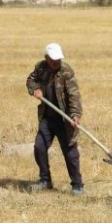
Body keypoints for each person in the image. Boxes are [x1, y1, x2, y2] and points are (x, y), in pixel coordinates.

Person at [26, 43, 84, 195]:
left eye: (58, 60)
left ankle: (77, 185)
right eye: (53, 60)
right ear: (46, 58)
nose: (56, 63)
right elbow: (30, 80)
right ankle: (45, 180)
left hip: (64, 120)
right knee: (39, 147)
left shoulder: (66, 72)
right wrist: (35, 89)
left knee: (70, 152)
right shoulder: (41, 68)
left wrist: (75, 115)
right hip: (48, 117)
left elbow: (74, 96)